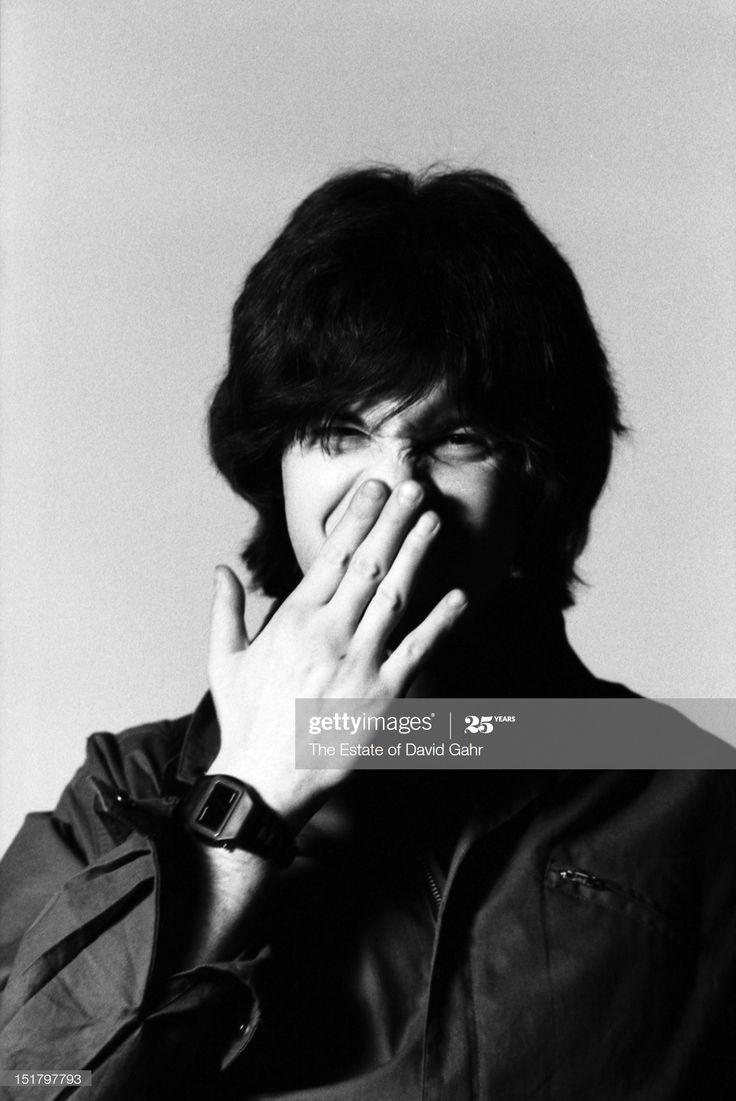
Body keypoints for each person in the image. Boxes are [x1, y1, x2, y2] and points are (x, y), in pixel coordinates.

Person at [0, 167, 733, 1100]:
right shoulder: (129, 792)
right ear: (280, 466)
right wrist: (249, 797)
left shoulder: (693, 801)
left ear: (537, 486)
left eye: (457, 437)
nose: (392, 492)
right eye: (340, 431)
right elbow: (23, 1078)